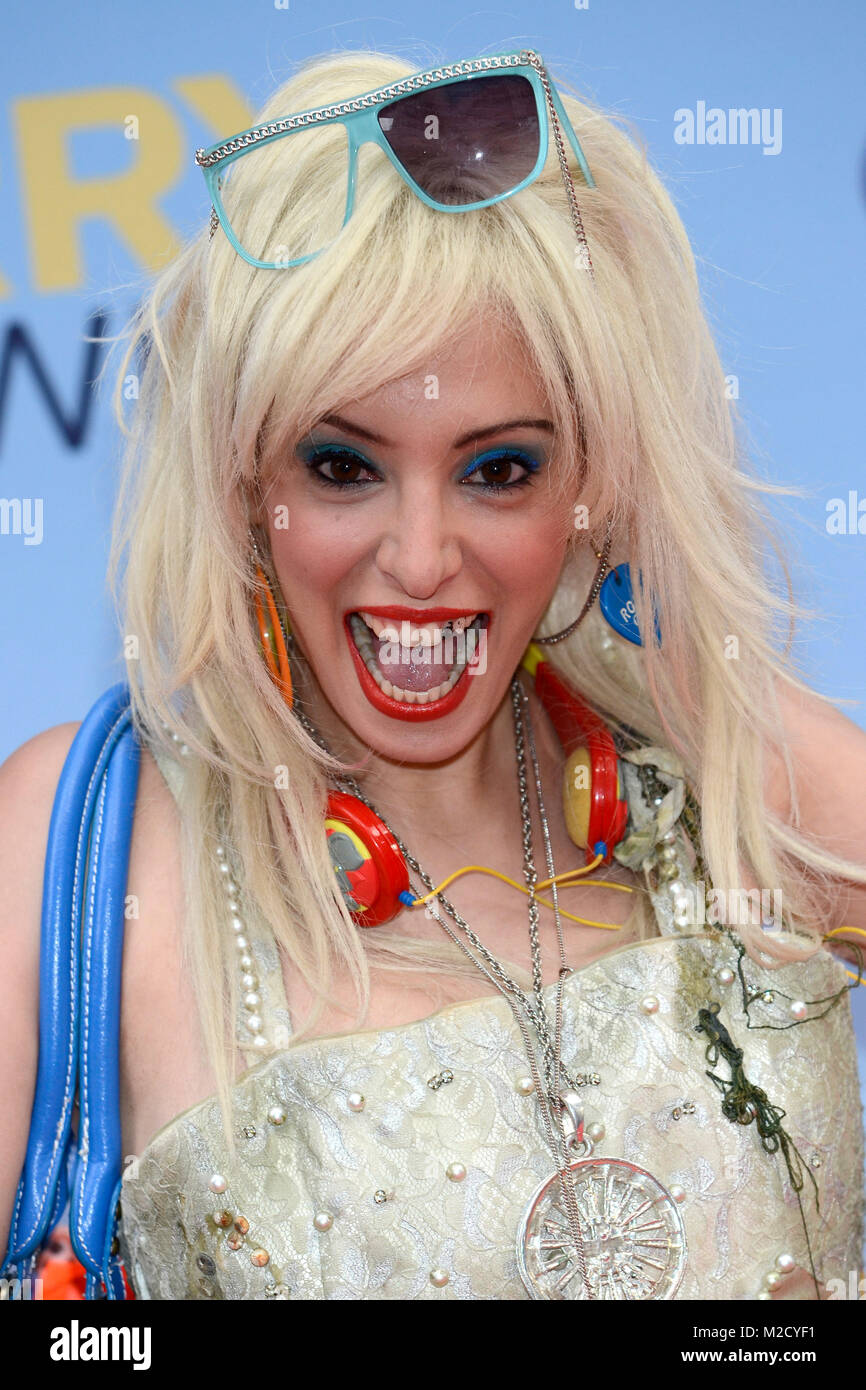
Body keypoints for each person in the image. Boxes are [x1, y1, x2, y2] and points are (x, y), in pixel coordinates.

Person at [1, 45, 865, 1303]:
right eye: (342, 467)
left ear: (592, 480)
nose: (418, 558)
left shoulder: (728, 804)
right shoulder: (88, 849)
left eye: (498, 470)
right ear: (244, 484)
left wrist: (681, 647)